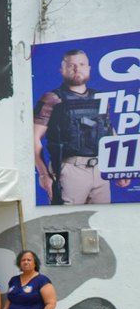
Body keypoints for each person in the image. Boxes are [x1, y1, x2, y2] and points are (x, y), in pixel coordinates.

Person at [33, 49, 129, 205]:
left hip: (101, 171)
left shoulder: (99, 97)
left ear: (89, 68)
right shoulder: (52, 98)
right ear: (62, 70)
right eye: (71, 65)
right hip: (69, 170)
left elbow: (110, 131)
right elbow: (33, 138)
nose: (77, 69)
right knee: (67, 223)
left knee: (102, 222)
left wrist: (119, 167)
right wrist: (44, 174)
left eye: (81, 64)